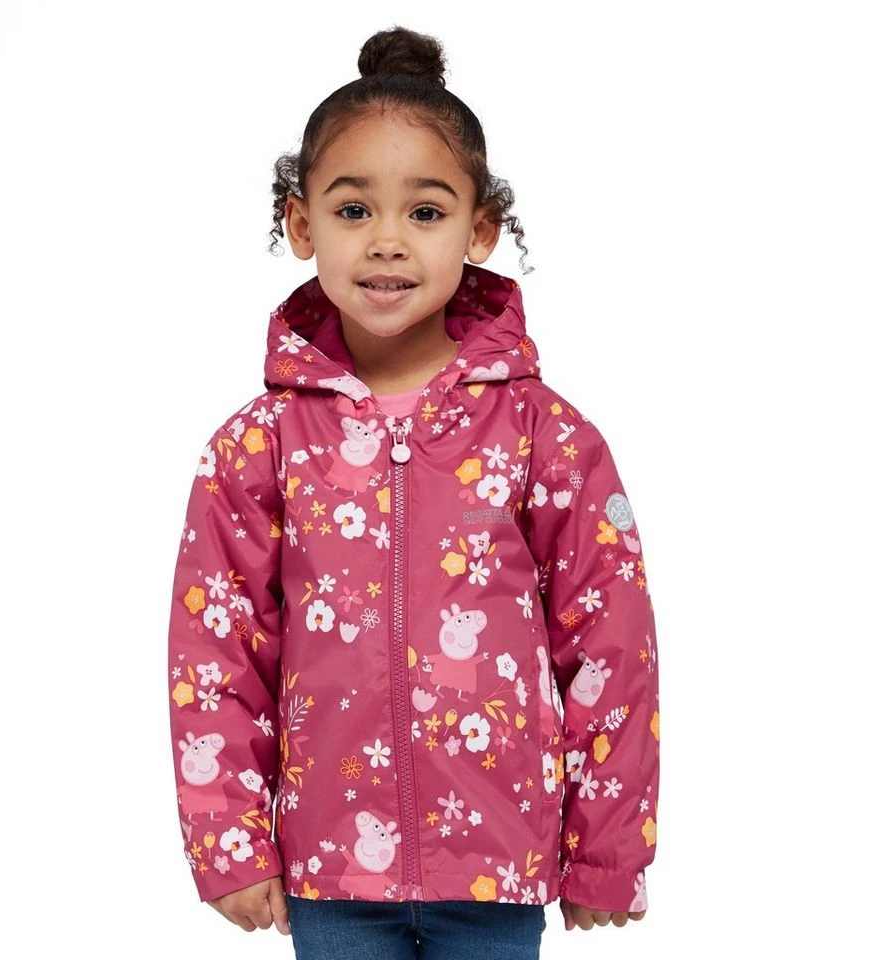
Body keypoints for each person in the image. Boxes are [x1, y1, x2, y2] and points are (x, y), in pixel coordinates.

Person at [167, 24, 660, 960]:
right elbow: (215, 649)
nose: (388, 241)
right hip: (330, 870)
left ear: (480, 230)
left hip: (499, 859)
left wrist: (607, 851)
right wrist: (228, 838)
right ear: (301, 225)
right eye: (354, 210)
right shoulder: (257, 447)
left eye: (426, 212)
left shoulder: (547, 436)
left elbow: (611, 641)